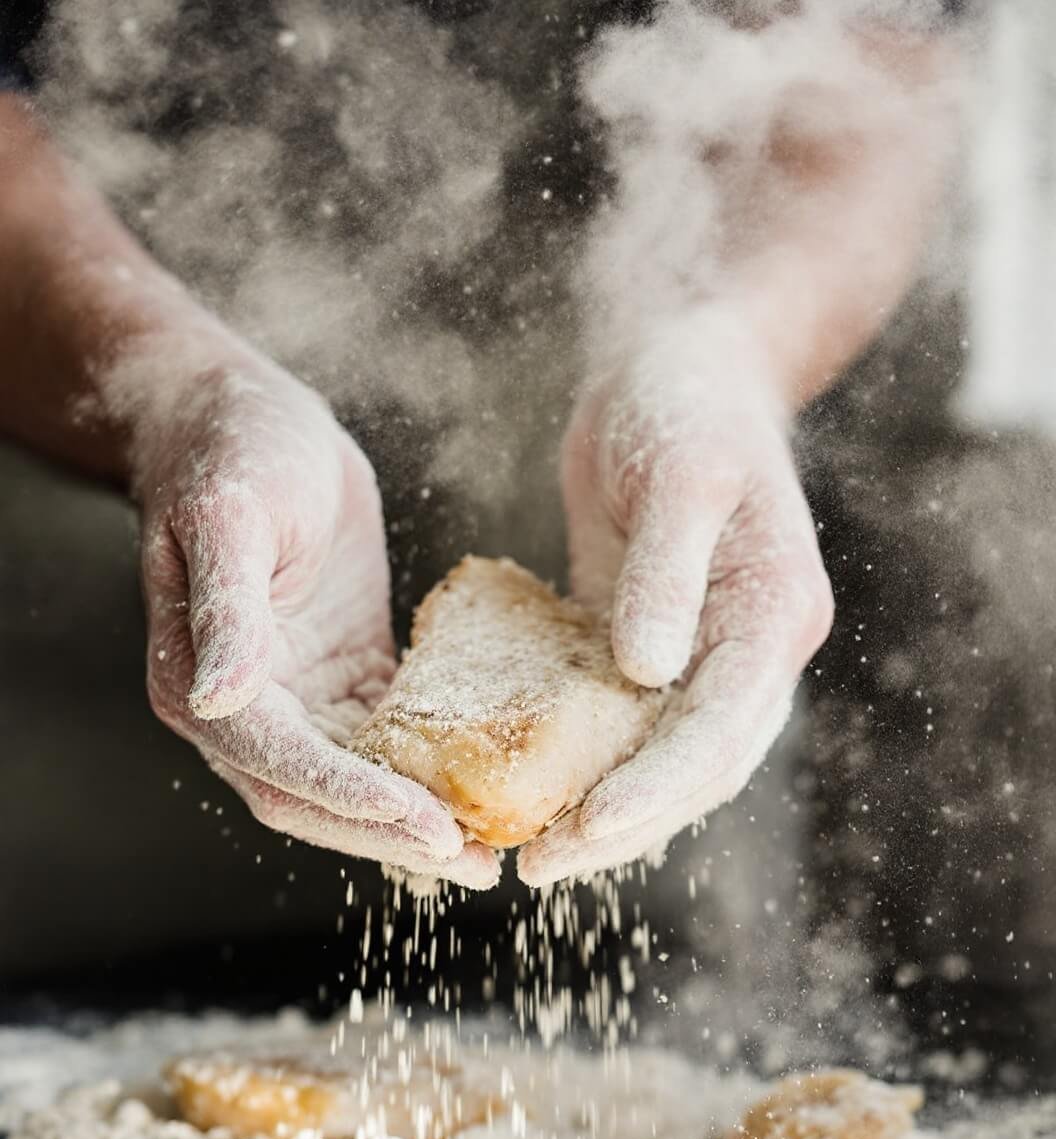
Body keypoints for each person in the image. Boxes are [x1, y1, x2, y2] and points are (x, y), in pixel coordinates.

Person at [0, 3, 961, 891]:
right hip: (83, 464)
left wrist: (729, 352)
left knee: (650, 947)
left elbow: (864, 69)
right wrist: (172, 389)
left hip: (664, 502)